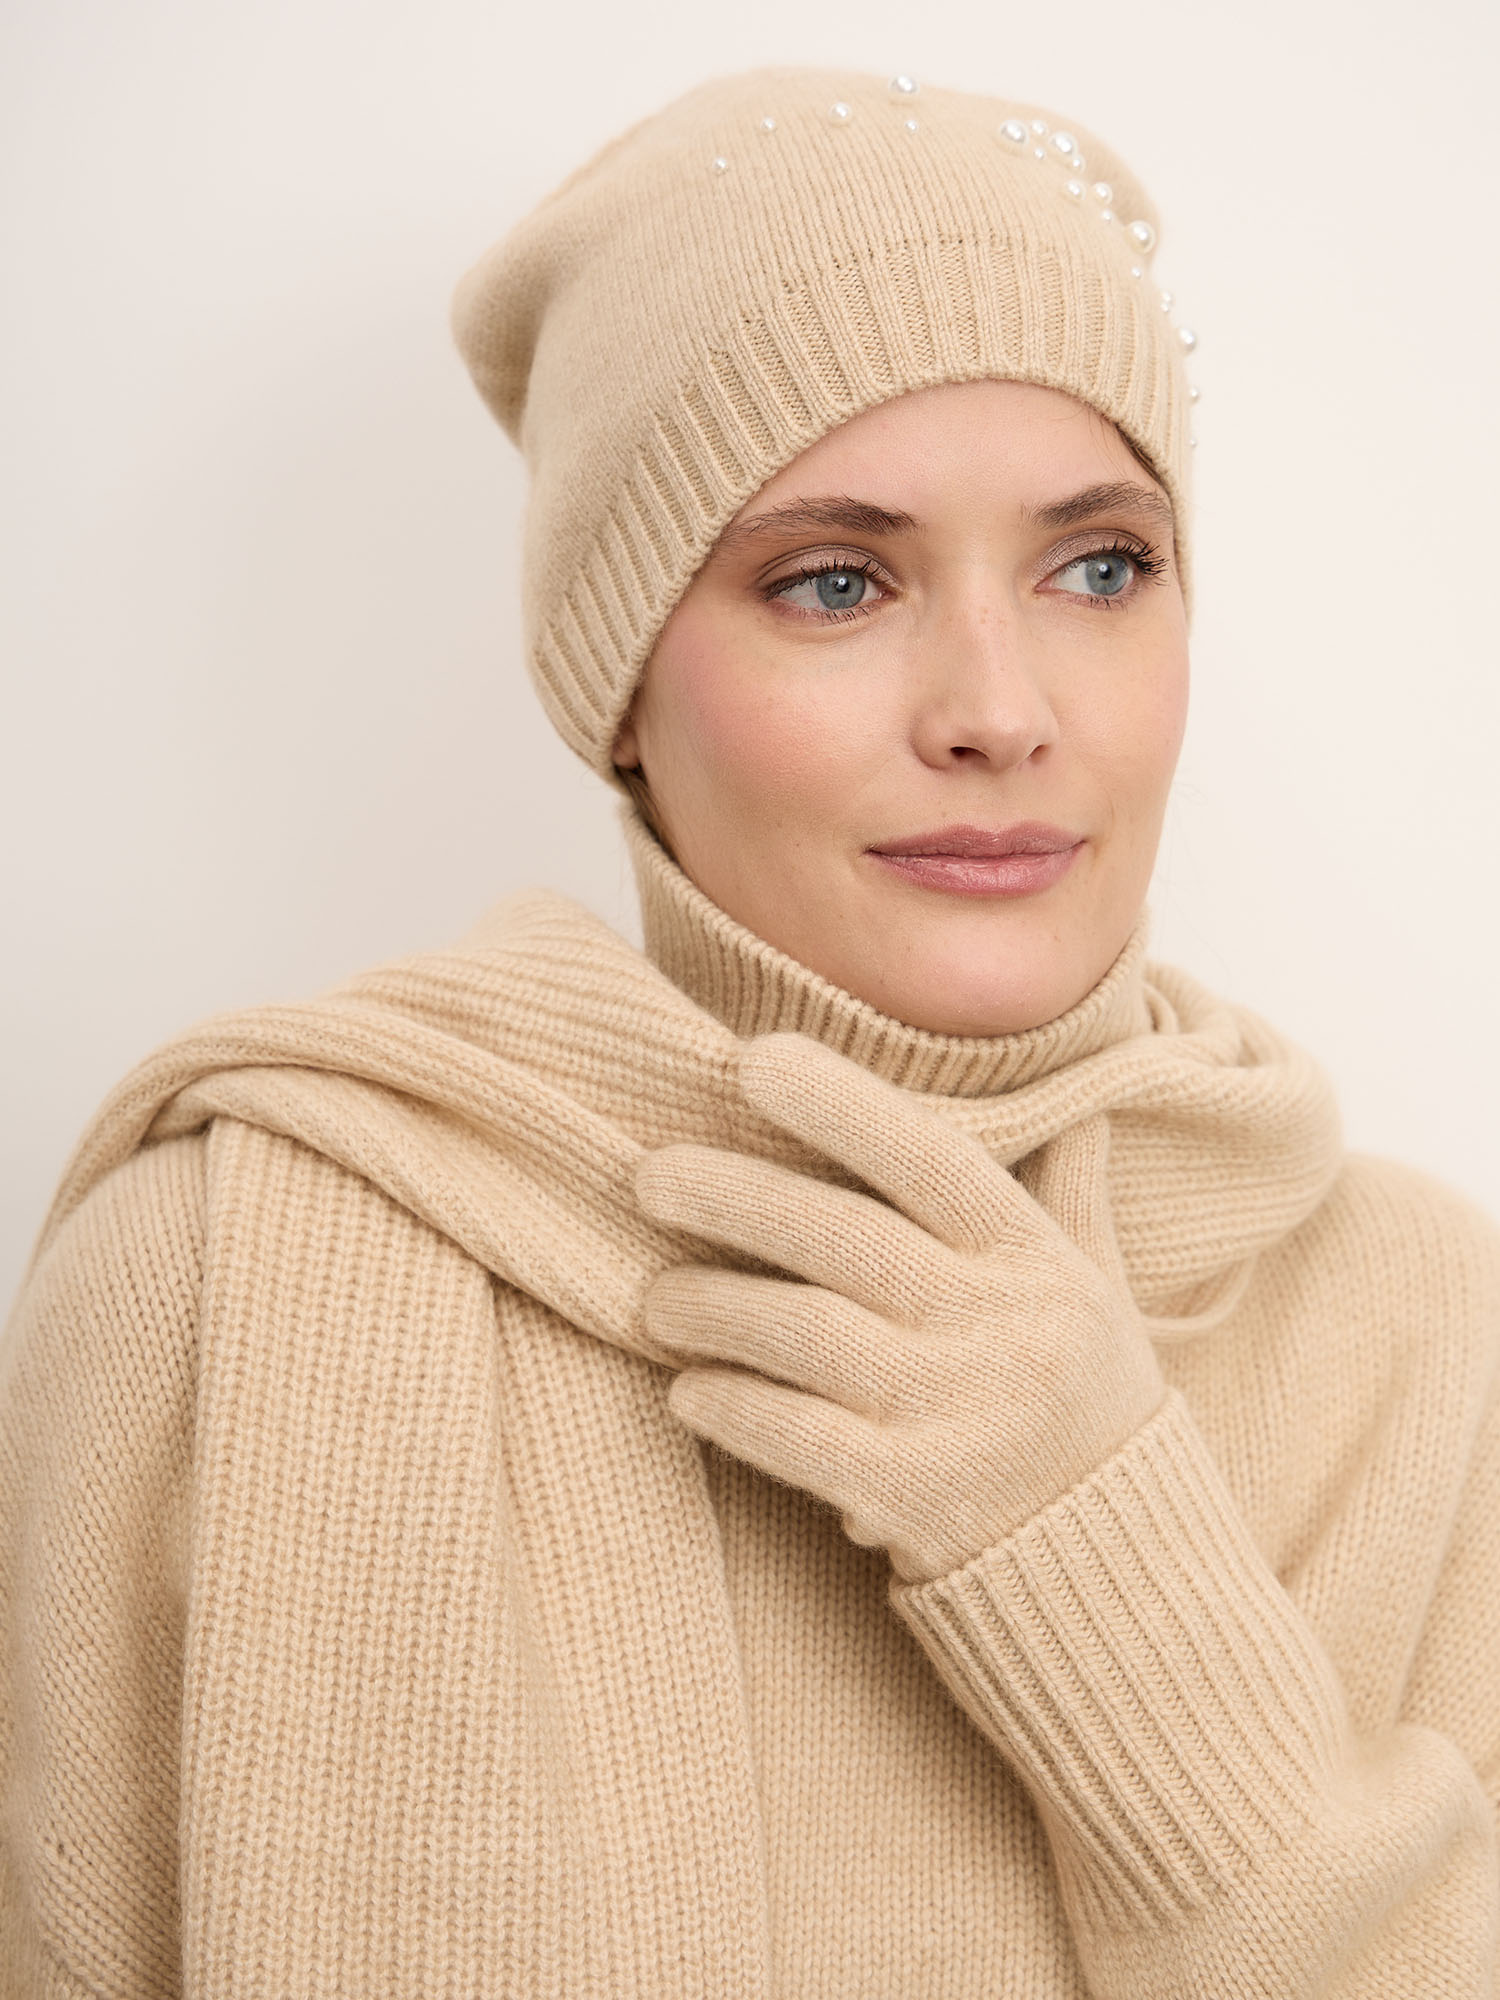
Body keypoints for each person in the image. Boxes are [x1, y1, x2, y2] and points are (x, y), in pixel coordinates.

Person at [2, 65, 1497, 1999]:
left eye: (1101, 567)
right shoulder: (222, 1270)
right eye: (835, 582)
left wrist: (1093, 1553)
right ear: (620, 687)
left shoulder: (1427, 1329)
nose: (999, 710)